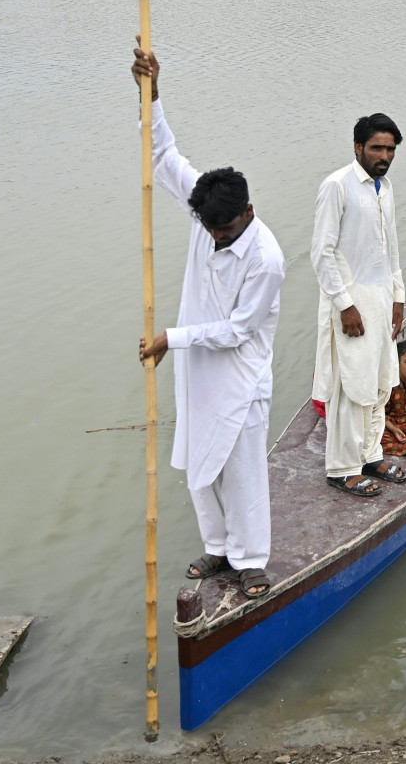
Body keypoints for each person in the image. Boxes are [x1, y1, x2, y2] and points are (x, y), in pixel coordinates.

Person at [132, 42, 284, 600]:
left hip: (240, 378)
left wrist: (173, 337)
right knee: (201, 464)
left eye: (222, 231)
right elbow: (164, 155)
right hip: (197, 373)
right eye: (208, 228)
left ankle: (251, 560)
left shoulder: (266, 257)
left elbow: (238, 331)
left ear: (246, 213)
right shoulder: (207, 213)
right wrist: (153, 93)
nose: (214, 237)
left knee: (241, 470)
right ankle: (218, 549)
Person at [310, 112, 406, 498]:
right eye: (377, 147)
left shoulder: (385, 188)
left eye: (390, 149)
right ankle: (342, 467)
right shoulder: (338, 185)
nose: (384, 155)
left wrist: (399, 296)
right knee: (351, 385)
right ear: (358, 147)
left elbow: (392, 250)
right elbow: (322, 252)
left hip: (382, 297)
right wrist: (345, 305)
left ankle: (370, 455)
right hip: (350, 302)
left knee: (380, 381)